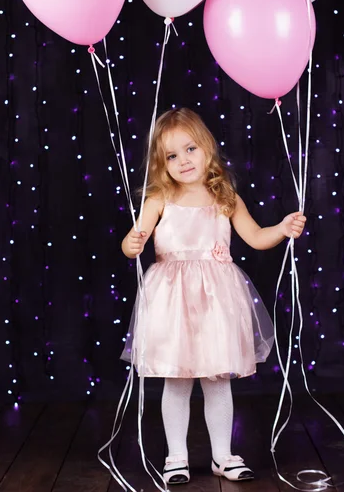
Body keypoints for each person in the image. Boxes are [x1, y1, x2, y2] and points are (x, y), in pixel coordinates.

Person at [121, 108, 306, 485]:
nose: (183, 160)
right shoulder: (160, 198)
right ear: (161, 163)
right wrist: (132, 242)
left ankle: (223, 455)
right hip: (172, 302)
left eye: (190, 149)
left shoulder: (226, 197)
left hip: (217, 302)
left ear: (207, 149)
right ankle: (177, 457)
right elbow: (132, 243)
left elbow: (256, 237)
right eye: (171, 156)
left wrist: (283, 228)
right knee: (176, 381)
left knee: (217, 380)